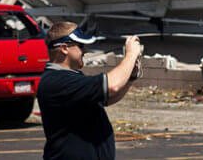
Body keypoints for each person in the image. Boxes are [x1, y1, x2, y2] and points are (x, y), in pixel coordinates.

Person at [36, 21, 142, 160]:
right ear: (64, 48)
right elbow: (112, 85)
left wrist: (130, 78)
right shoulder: (57, 81)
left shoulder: (71, 77)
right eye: (80, 46)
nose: (84, 51)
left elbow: (108, 97)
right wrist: (131, 54)